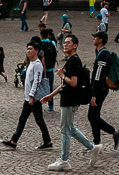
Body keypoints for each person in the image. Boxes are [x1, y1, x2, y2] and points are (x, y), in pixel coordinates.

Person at [42, 34, 103, 171]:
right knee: (70, 128)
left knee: (65, 130)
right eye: (64, 43)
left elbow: (73, 83)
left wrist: (62, 75)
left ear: (75, 45)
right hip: (68, 99)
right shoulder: (71, 60)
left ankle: (64, 160)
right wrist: (50, 96)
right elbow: (64, 84)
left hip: (70, 100)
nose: (65, 45)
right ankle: (92, 148)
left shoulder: (74, 61)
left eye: (68, 43)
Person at [1, 42, 53, 149]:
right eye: (27, 49)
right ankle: (14, 141)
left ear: (36, 51)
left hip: (33, 98)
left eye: (31, 49)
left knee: (39, 120)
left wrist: (32, 96)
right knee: (23, 119)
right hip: (28, 98)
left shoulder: (37, 64)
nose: (28, 51)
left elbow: (37, 81)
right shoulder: (31, 63)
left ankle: (47, 142)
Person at [88, 32, 119, 149]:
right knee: (94, 115)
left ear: (100, 40)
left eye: (95, 37)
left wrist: (93, 94)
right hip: (99, 88)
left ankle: (114, 132)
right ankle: (96, 142)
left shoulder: (103, 55)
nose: (93, 38)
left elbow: (98, 76)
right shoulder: (99, 52)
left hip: (100, 89)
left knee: (92, 116)